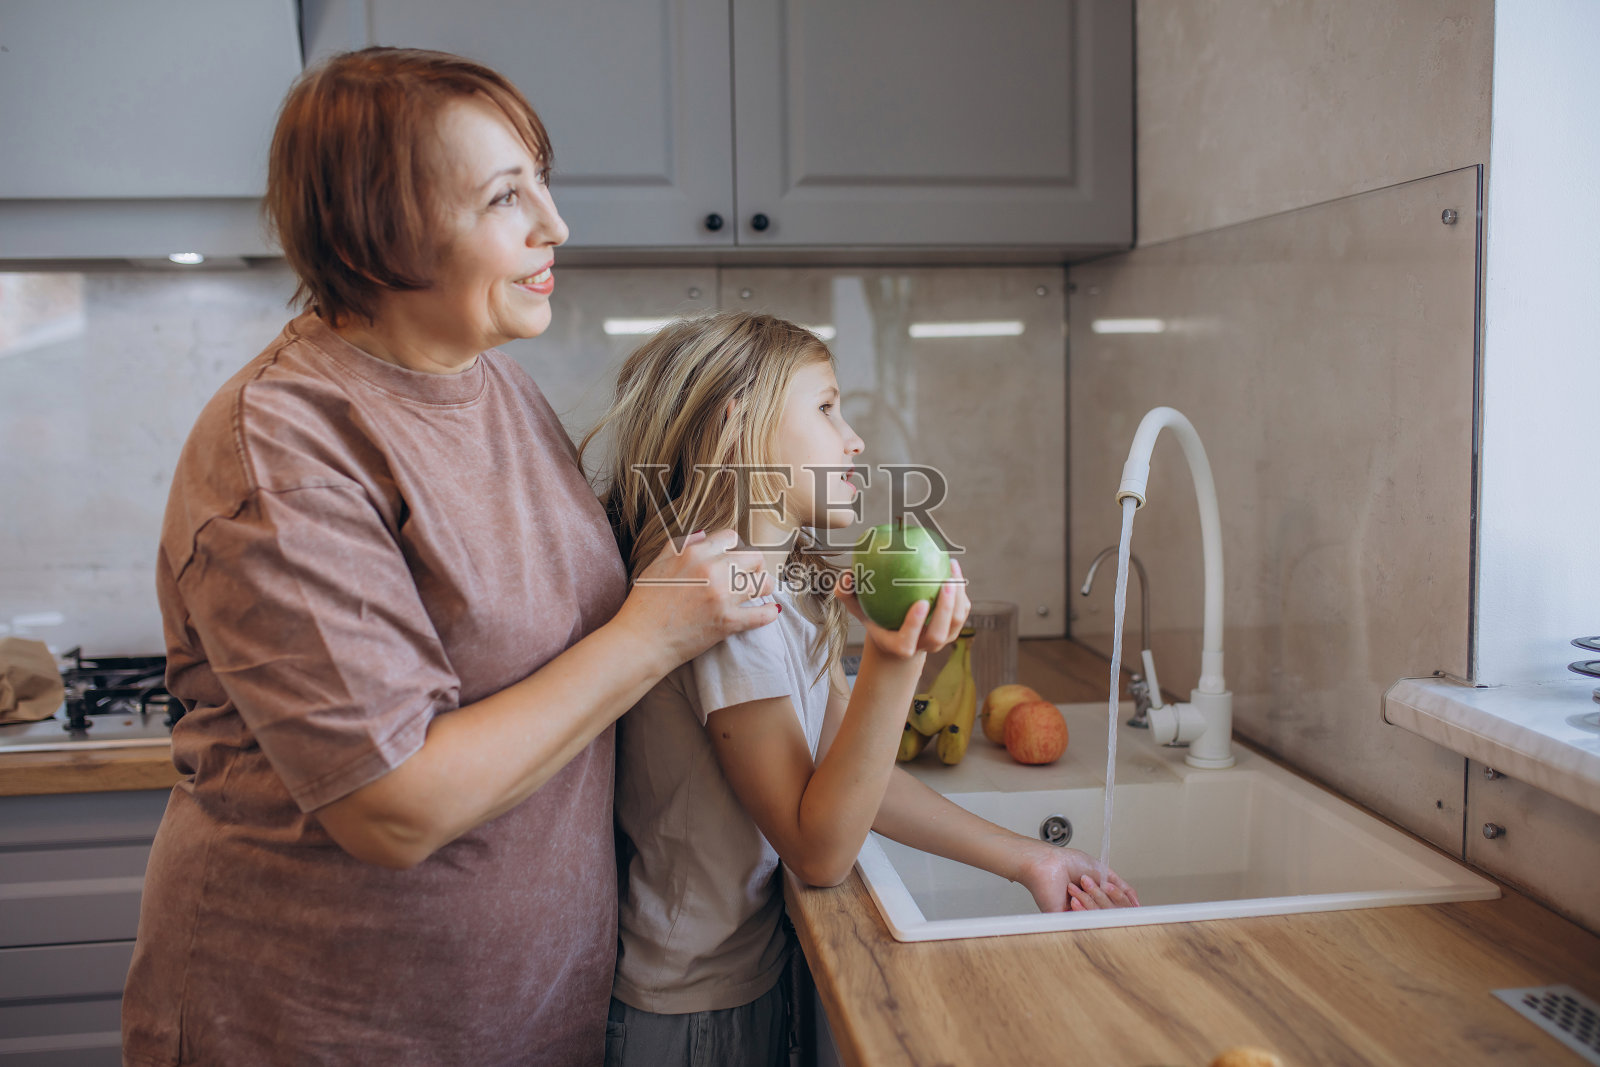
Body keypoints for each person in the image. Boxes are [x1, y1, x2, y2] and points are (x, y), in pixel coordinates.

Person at [121, 48, 780, 1066]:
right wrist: (661, 628)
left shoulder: (492, 380)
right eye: (504, 197)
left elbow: (549, 625)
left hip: (514, 1012)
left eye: (541, 181)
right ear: (380, 226)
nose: (554, 225)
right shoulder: (287, 443)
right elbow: (394, 806)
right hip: (322, 1021)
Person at [583, 313, 1139, 1067]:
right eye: (825, 407)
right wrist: (896, 657)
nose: (855, 439)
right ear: (734, 425)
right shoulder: (721, 605)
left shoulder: (777, 581)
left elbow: (854, 774)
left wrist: (1027, 859)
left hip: (734, 980)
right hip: (690, 1012)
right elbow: (819, 849)